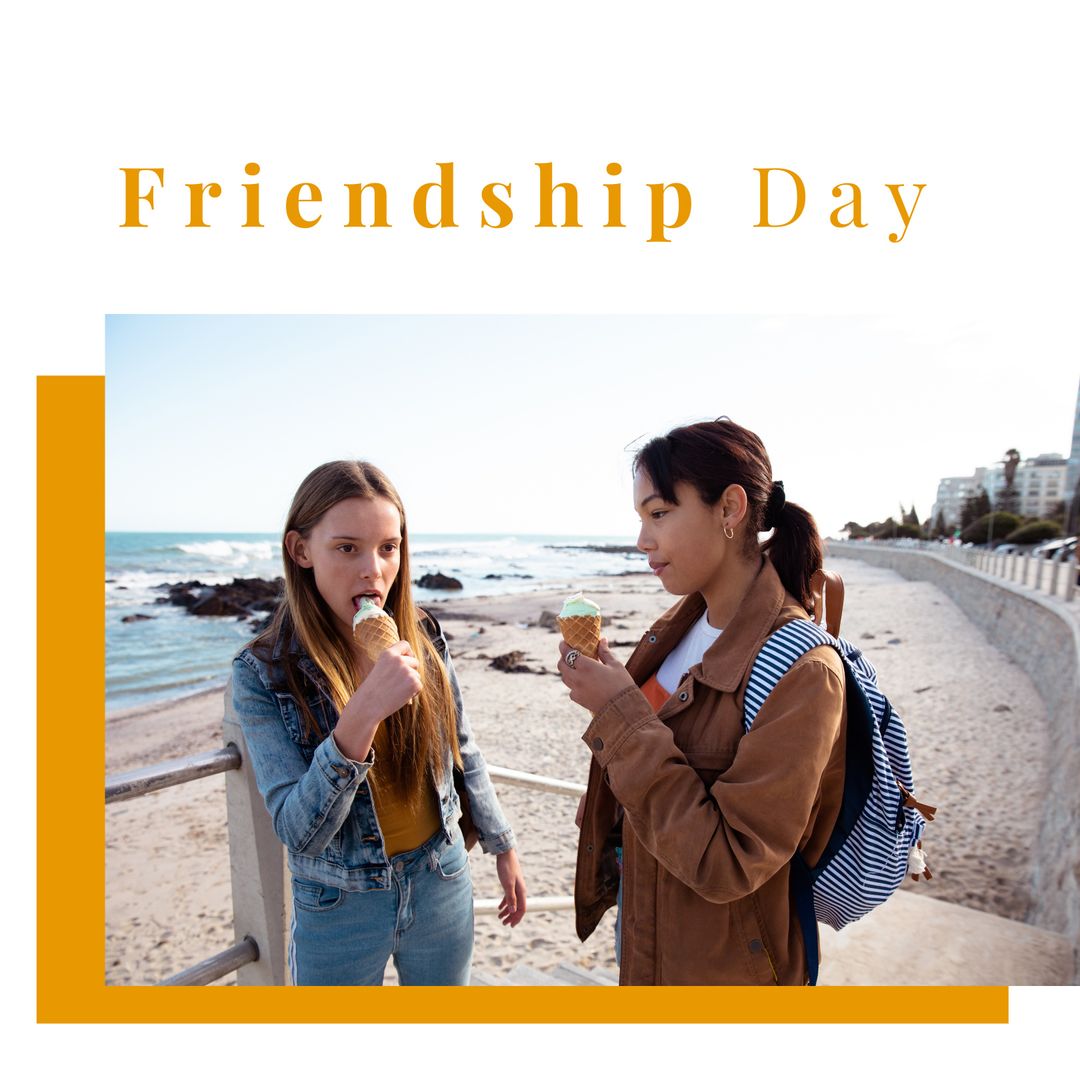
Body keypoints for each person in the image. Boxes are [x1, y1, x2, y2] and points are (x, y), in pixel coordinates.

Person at [559, 418, 846, 985]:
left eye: (660, 514)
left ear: (730, 509)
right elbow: (662, 763)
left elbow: (729, 862)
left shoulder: (805, 671)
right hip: (647, 934)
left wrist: (617, 715)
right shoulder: (678, 624)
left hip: (722, 970)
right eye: (640, 518)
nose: (643, 540)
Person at [227, 460, 526, 985]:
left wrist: (502, 843)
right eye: (347, 548)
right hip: (338, 903)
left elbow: (463, 746)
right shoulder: (262, 672)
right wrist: (363, 712)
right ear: (301, 551)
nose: (373, 571)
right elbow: (299, 832)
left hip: (441, 875)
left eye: (389, 547)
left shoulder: (423, 634)